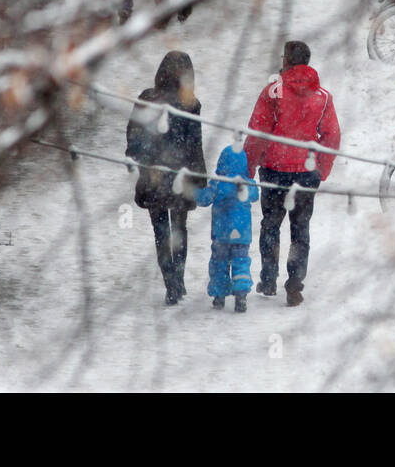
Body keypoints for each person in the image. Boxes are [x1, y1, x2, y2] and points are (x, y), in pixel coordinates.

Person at [244, 40, 341, 306]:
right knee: (301, 230)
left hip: (275, 171)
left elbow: (258, 131)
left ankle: (268, 278)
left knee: (270, 225)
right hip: (306, 173)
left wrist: (249, 165)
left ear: (287, 60)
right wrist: (322, 168)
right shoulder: (322, 96)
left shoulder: (273, 92)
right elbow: (331, 135)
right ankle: (295, 285)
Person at [126, 51, 207, 305]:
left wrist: (140, 158)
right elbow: (195, 144)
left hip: (153, 175)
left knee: (160, 232)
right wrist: (199, 176)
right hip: (180, 177)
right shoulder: (190, 103)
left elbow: (133, 135)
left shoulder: (147, 98)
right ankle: (178, 281)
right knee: (178, 230)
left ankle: (170, 283)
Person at [194, 144, 259, 312]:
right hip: (242, 234)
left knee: (219, 263)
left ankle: (219, 295)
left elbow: (203, 199)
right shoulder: (247, 184)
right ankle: (241, 295)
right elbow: (255, 195)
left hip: (221, 233)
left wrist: (192, 191)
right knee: (241, 262)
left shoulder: (217, 184)